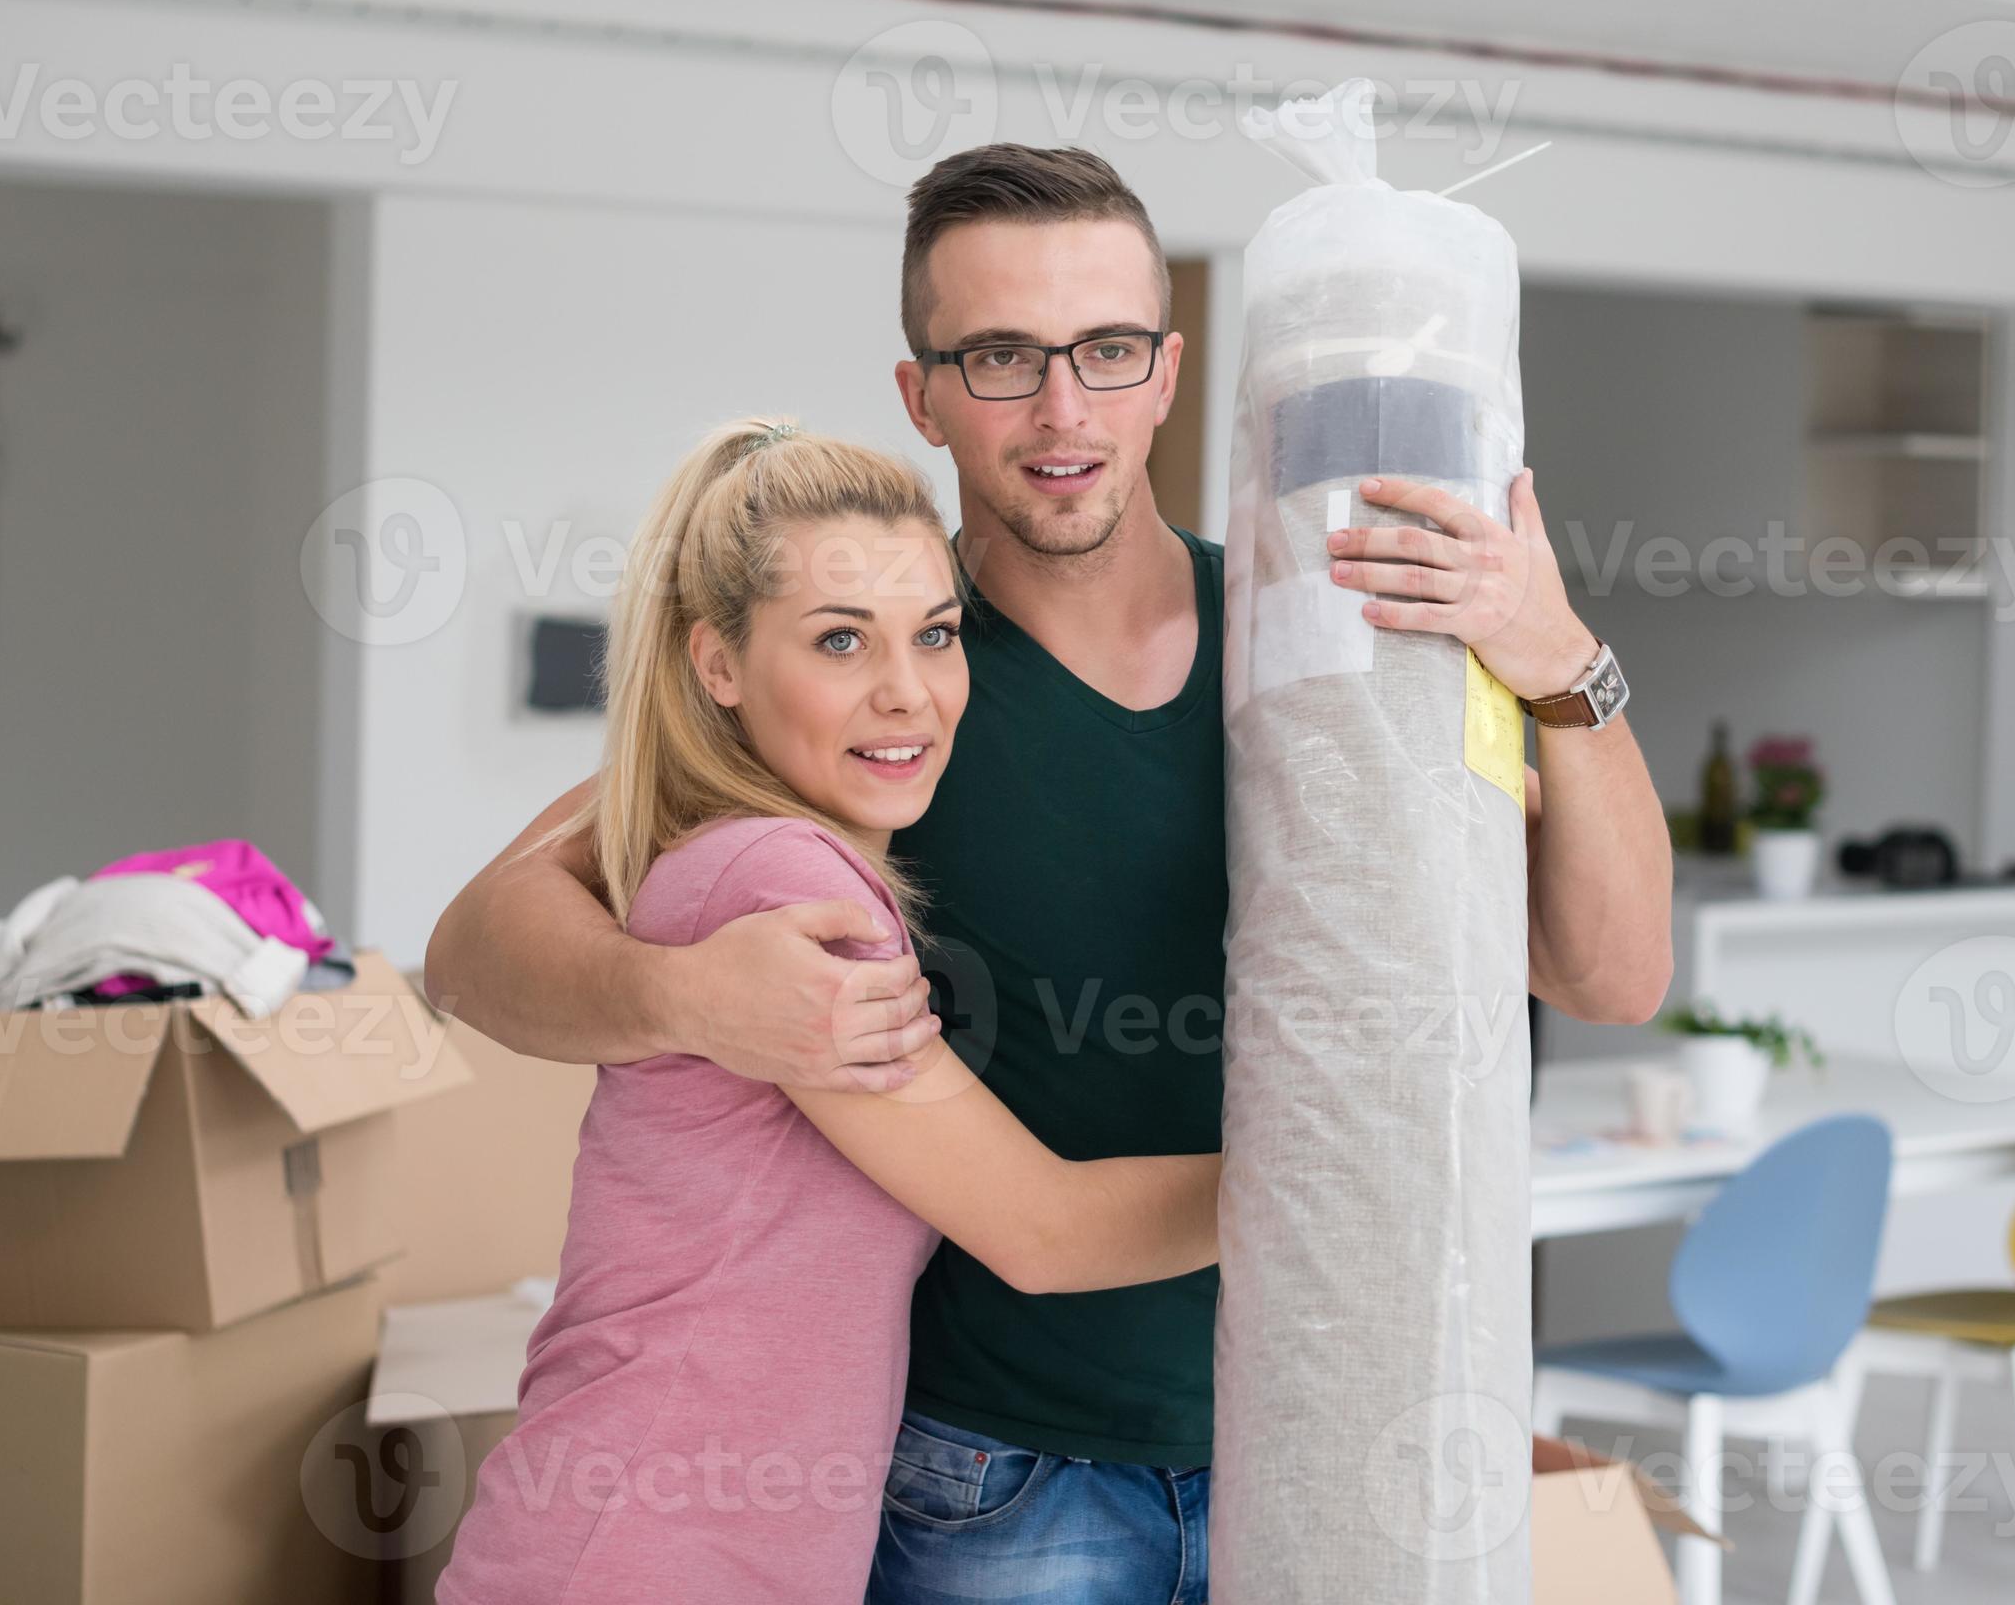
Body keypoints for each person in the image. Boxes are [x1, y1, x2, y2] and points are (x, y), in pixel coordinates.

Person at [427, 145, 1674, 1603]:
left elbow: (1612, 970)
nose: (1063, 409)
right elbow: (475, 948)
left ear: (1166, 369)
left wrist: (1560, 669)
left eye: (1105, 349)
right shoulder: (876, 686)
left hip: (1316, 1437)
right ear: (924, 395)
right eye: (1003, 357)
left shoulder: (1314, 644)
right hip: (995, 1480)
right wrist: (689, 998)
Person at [437, 418, 1221, 1603]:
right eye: (841, 641)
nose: (906, 694)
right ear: (718, 666)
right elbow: (1044, 1229)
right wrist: (1340, 1164)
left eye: (937, 635)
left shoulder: (754, 850)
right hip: (641, 1556)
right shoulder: (788, 887)